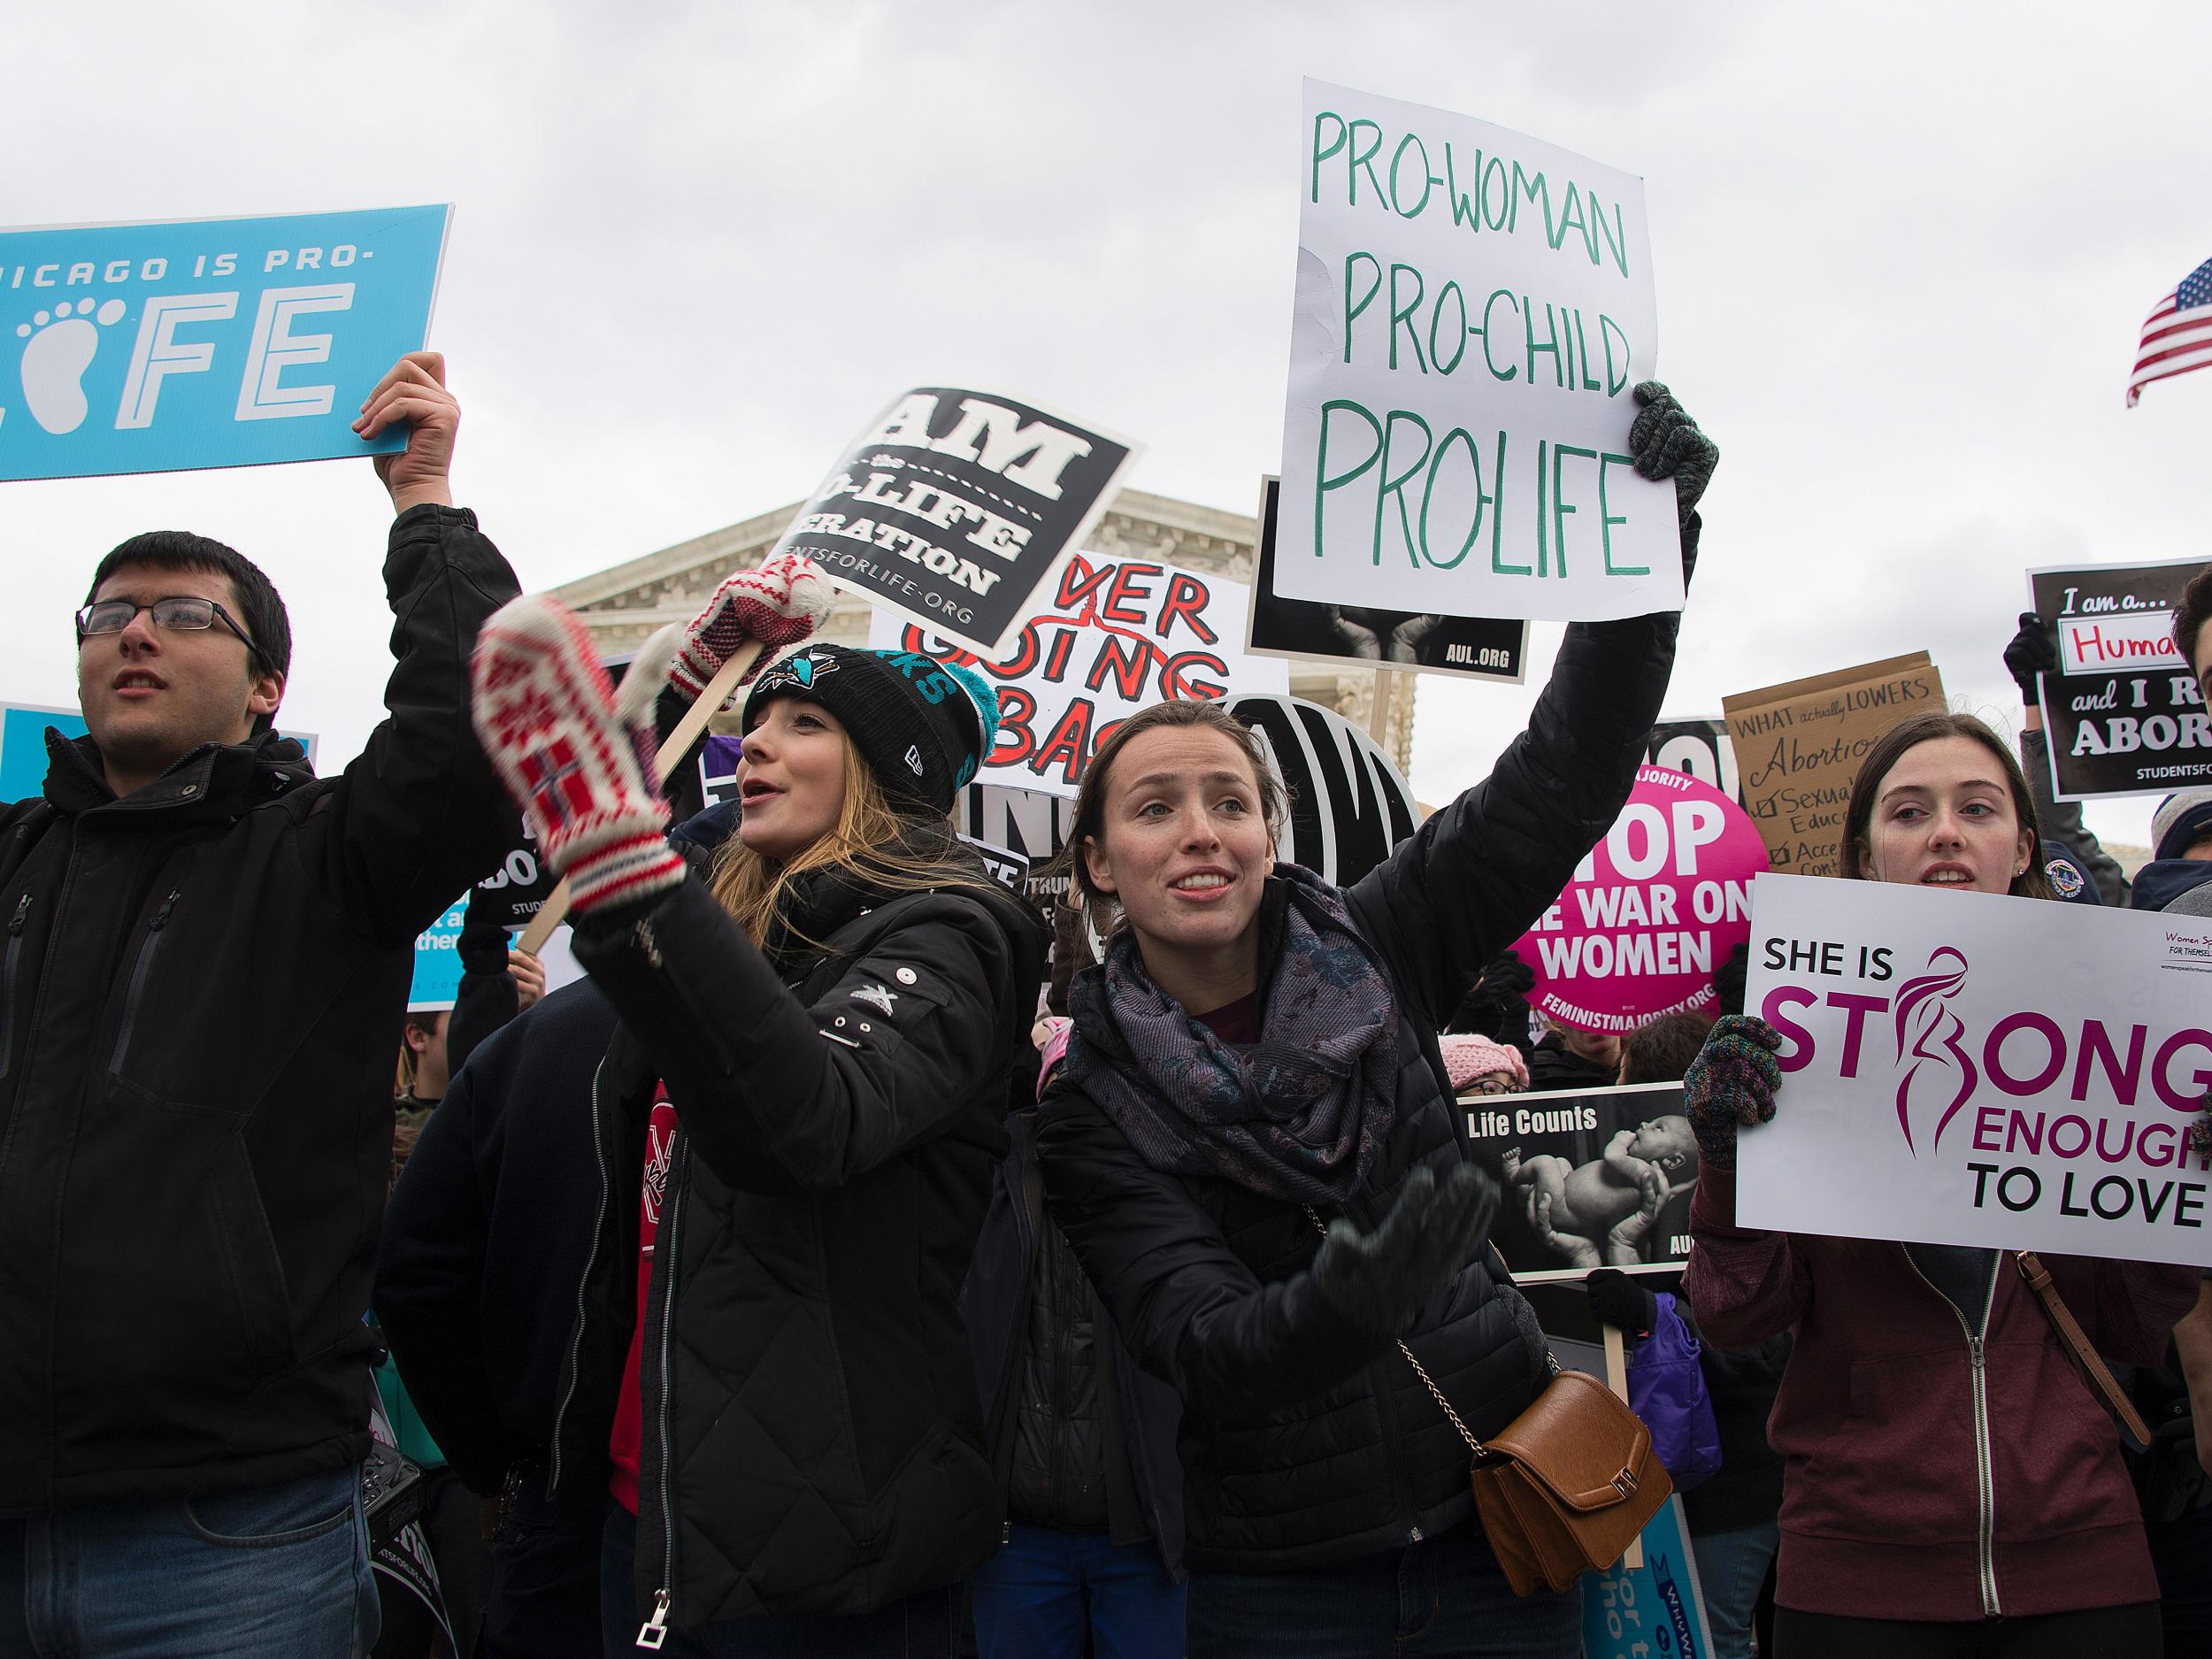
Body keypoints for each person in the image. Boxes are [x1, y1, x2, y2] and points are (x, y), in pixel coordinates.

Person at [1033, 381, 1713, 1657]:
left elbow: (1558, 780)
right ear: (1098, 863)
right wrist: (1357, 1290)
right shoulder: (1090, 1103)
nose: (1199, 830)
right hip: (1287, 1590)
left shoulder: (1383, 936)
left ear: (1267, 832)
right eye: (1154, 806)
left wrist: (1647, 550)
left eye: (1229, 799)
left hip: (1497, 1526)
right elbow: (1199, 1341)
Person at [0, 351, 519, 1659]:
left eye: (183, 614)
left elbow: (473, 727)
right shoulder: (11, 857)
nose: (133, 629)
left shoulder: (325, 857)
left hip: (223, 1535)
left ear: (268, 685)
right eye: (108, 610)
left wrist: (427, 504)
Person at [467, 596, 1045, 1656]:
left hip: (816, 1554)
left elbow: (806, 1124)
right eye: (754, 722)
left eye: (804, 724)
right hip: (634, 1513)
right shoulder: (732, 920)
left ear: (885, 771)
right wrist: (692, 678)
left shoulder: (957, 931)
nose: (757, 745)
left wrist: (629, 864)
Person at [1683, 708, 2201, 1657]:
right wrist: (1726, 1163)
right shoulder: (1798, 1044)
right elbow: (1734, 1314)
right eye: (1909, 812)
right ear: (1865, 850)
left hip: (2083, 1572)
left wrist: (2188, 1176)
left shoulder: (2125, 1042)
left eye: (1976, 807)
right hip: (1854, 1580)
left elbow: (2131, 1320)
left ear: (2022, 845)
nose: (1946, 833)